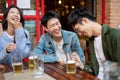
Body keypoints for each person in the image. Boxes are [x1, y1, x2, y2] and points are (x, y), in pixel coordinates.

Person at [68, 8, 120, 80]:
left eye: (78, 29)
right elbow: (94, 70)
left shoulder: (115, 36)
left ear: (85, 20)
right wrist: (81, 64)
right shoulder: (91, 40)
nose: (79, 34)